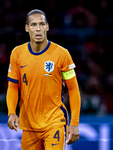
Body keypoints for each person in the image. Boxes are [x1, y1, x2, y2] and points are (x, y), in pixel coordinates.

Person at [6, 9, 81, 150]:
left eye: (41, 24)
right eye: (33, 25)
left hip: (54, 122)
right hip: (29, 125)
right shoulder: (17, 54)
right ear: (27, 28)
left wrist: (74, 123)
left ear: (47, 26)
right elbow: (13, 87)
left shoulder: (62, 54)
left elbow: (73, 88)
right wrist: (11, 112)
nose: (38, 28)